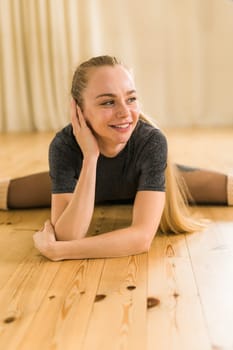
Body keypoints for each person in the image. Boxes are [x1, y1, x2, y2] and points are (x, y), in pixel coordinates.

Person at [0, 55, 232, 261]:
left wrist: (60, 251)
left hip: (143, 178)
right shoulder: (64, 146)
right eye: (108, 102)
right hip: (84, 181)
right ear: (78, 109)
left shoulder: (152, 142)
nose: (124, 112)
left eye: (130, 99)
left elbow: (141, 238)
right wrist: (90, 158)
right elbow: (67, 235)